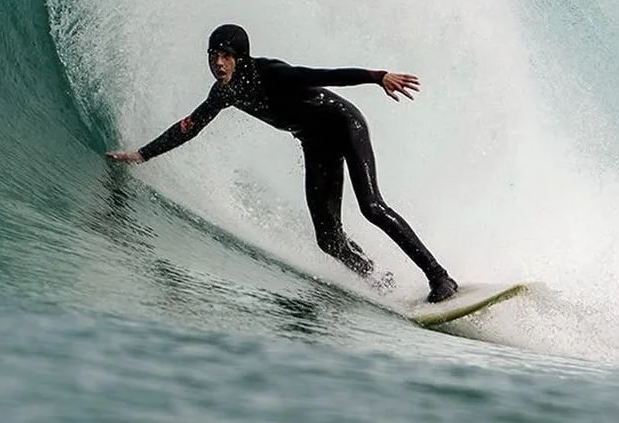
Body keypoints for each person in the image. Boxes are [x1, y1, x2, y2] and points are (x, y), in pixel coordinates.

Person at [106, 24, 459, 302]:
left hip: (343, 125)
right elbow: (191, 125)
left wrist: (378, 76)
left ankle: (439, 277)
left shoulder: (269, 73)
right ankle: (381, 282)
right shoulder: (224, 92)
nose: (218, 63)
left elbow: (325, 75)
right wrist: (143, 154)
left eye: (226, 56)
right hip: (315, 142)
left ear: (240, 58)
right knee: (329, 239)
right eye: (213, 55)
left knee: (372, 207)